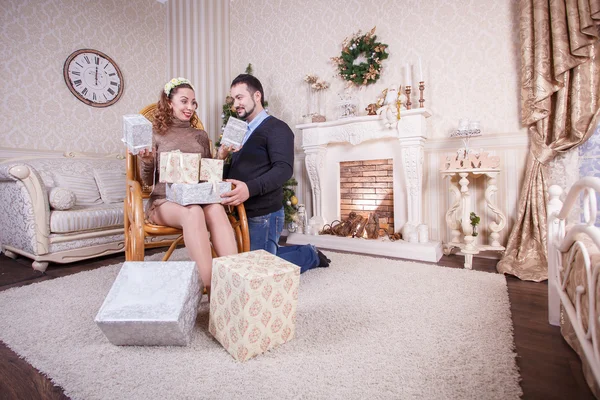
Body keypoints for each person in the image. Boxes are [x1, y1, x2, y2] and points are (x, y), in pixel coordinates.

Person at [219, 74, 330, 273]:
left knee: (258, 271)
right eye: (233, 99)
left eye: (240, 97)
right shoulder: (239, 131)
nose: (235, 104)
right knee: (237, 263)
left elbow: (283, 169)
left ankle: (308, 254)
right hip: (240, 212)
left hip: (264, 214)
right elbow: (236, 170)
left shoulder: (277, 128)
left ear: (257, 96)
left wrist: (249, 189)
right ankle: (283, 251)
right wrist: (220, 157)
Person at [138, 77, 238, 293]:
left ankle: (234, 284)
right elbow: (147, 182)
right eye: (184, 101)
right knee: (193, 213)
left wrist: (220, 155)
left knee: (217, 210)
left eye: (193, 103)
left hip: (197, 196)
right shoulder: (154, 134)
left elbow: (208, 175)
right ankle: (212, 288)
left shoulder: (200, 135)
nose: (190, 107)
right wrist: (147, 161)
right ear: (169, 102)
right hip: (164, 201)